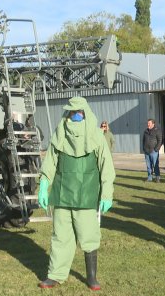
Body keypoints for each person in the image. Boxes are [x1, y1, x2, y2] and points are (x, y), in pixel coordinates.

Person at [37, 96, 115, 291]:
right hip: (63, 193)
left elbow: (107, 167)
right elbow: (50, 163)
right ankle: (55, 275)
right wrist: (43, 186)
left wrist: (106, 194)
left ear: (86, 113)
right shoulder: (60, 133)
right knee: (60, 237)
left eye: (78, 113)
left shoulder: (96, 136)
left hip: (87, 194)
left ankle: (91, 278)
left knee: (88, 236)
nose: (75, 116)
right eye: (72, 112)